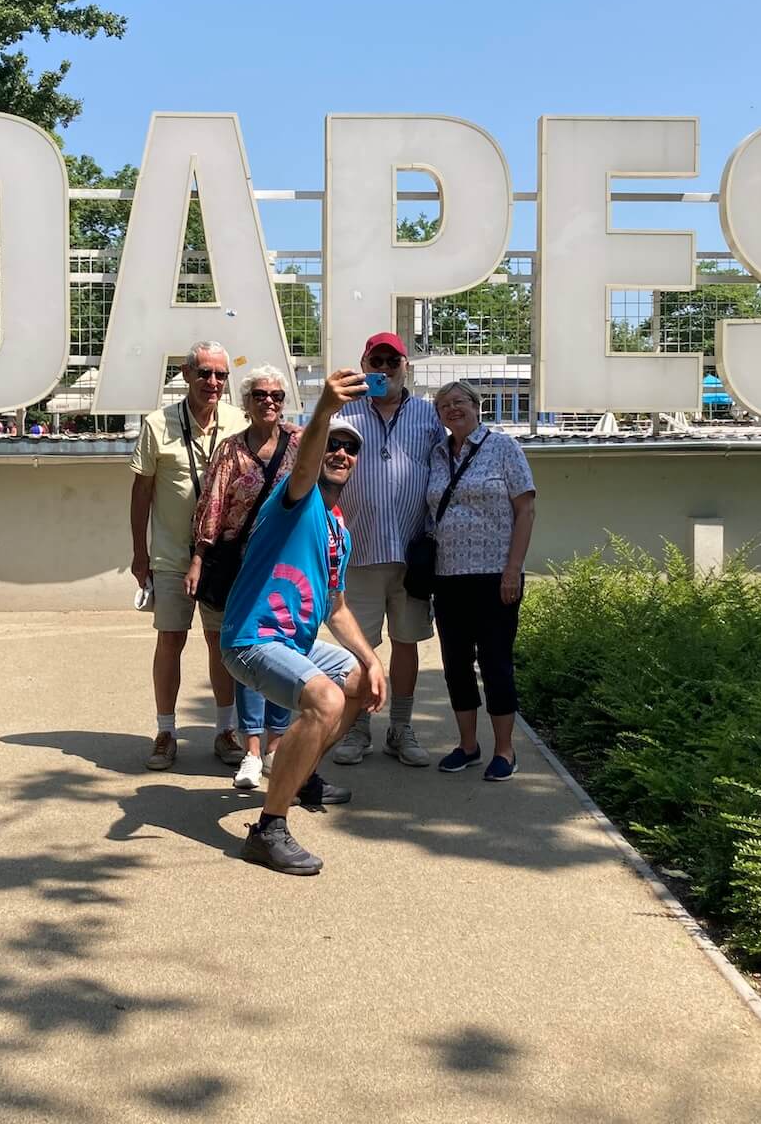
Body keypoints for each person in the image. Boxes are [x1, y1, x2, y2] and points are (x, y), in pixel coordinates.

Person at [222, 369, 386, 875]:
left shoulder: (339, 529)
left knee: (358, 680)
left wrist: (371, 657)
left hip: (293, 643)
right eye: (333, 445)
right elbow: (304, 467)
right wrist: (324, 412)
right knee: (326, 697)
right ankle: (269, 829)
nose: (341, 454)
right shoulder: (295, 501)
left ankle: (303, 775)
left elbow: (335, 607)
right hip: (251, 639)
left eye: (350, 450)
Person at [130, 342, 250, 771]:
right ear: (185, 374)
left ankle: (224, 731)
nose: (212, 382)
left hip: (222, 560)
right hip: (170, 556)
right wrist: (139, 553)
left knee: (221, 644)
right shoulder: (157, 424)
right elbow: (142, 490)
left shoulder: (239, 420)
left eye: (220, 374)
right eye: (204, 373)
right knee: (170, 640)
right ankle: (165, 732)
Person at [330, 331, 444, 770]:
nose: (383, 369)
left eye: (391, 362)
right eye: (375, 361)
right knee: (360, 649)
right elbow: (316, 457)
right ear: (364, 363)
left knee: (407, 642)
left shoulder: (427, 416)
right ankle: (358, 730)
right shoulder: (345, 412)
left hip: (411, 553)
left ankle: (401, 728)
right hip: (358, 550)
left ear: (404, 367)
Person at [189, 365, 302, 789]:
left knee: (285, 653)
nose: (269, 401)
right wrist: (199, 558)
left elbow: (319, 497)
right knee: (248, 654)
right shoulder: (230, 449)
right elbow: (212, 506)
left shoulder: (299, 444)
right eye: (260, 395)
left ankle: (277, 745)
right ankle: (251, 750)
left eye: (276, 395)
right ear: (247, 402)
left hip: (288, 568)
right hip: (243, 568)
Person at [425, 380, 536, 781]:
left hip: (494, 576)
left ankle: (505, 750)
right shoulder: (437, 455)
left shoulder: (503, 447)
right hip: (448, 577)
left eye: (459, 402)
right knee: (456, 664)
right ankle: (467, 745)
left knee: (496, 663)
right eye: (443, 406)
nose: (452, 409)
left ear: (476, 406)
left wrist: (513, 569)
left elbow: (525, 511)